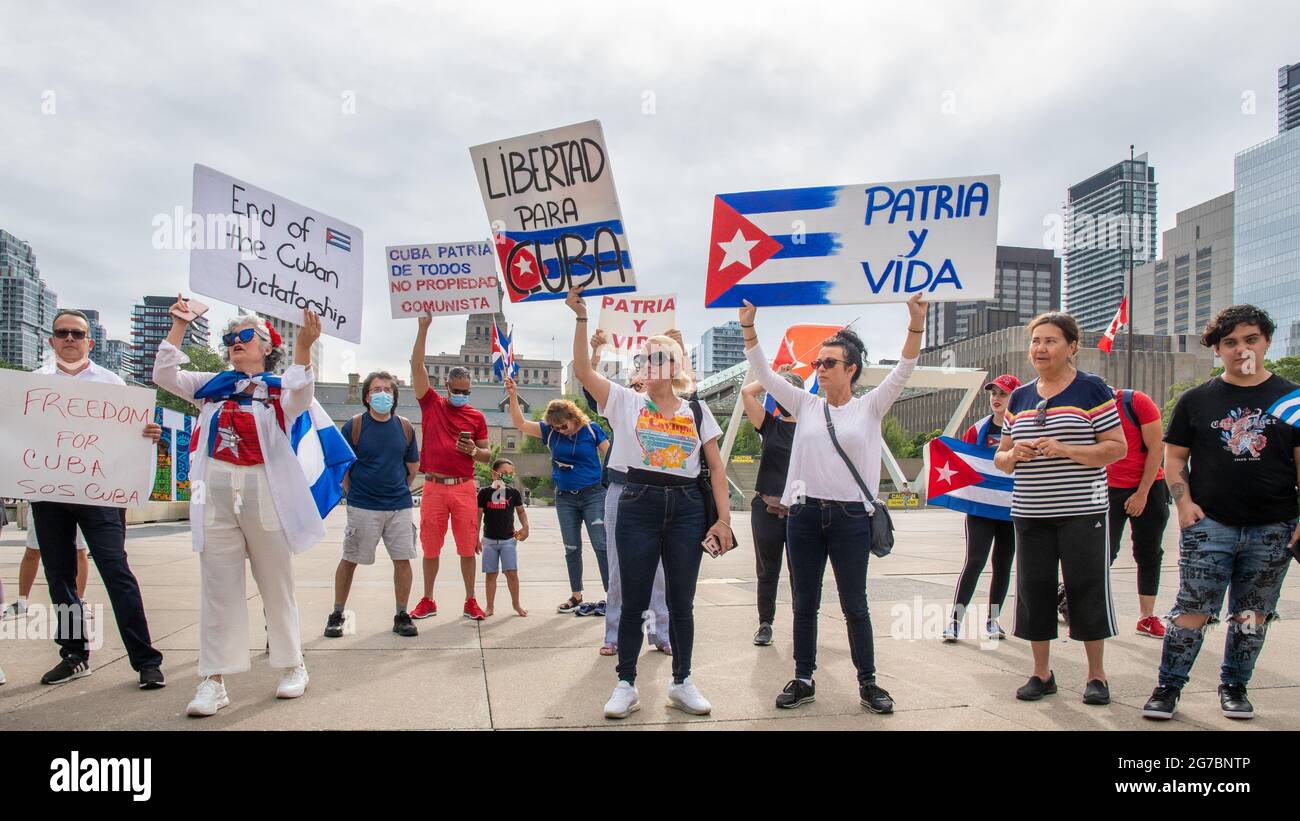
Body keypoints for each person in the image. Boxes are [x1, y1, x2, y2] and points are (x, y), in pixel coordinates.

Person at [741, 295, 926, 715]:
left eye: (829, 363)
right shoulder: (805, 404)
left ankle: (868, 683)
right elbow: (765, 375)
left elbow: (904, 368)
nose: (819, 369)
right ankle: (804, 678)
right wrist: (749, 328)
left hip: (850, 519)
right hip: (803, 515)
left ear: (851, 369)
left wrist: (915, 325)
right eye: (818, 363)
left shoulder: (871, 407)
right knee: (805, 601)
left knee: (854, 603)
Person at [567, 288, 734, 719]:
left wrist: (725, 522)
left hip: (686, 508)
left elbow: (716, 469)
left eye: (660, 355)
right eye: (645, 356)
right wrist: (583, 320)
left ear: (676, 367)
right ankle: (625, 683)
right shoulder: (626, 402)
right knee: (633, 599)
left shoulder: (697, 412)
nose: (649, 361)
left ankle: (683, 681)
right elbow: (584, 370)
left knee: (682, 600)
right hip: (637, 503)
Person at [154, 301, 325, 716]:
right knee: (218, 587)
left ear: (267, 346)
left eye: (244, 337)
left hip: (264, 491)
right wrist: (179, 325)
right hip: (214, 491)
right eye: (230, 339)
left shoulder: (278, 388)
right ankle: (213, 679)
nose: (234, 344)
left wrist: (304, 346)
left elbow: (301, 393)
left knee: (276, 584)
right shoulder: (211, 384)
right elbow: (164, 375)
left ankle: (292, 664)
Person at [1142, 305, 1299, 721]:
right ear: (1218, 349)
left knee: (1251, 615)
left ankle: (1235, 686)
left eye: (1250, 339)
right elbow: (1174, 459)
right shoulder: (1197, 400)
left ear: (1267, 341)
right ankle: (1168, 688)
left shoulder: (1292, 399)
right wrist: (1184, 503)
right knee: (1191, 611)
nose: (1240, 348)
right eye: (1229, 342)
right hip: (1209, 524)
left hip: (1274, 527)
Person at [993, 312, 1126, 706]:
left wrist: (1067, 449)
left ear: (1072, 347)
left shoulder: (1091, 389)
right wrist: (1014, 453)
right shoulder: (1020, 397)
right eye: (1036, 341)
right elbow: (1000, 457)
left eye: (1050, 341)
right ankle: (1041, 673)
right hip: (1030, 511)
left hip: (1082, 511)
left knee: (1086, 588)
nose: (1040, 348)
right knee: (1034, 590)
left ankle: (1097, 677)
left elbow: (1116, 447)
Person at [29, 309, 165, 689]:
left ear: (89, 341)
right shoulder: (32, 383)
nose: (70, 338)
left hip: (99, 493)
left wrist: (148, 432)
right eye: (62, 332)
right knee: (60, 578)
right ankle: (75, 655)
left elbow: (131, 431)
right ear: (52, 339)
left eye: (77, 333)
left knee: (116, 572)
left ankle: (146, 661)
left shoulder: (112, 383)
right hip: (49, 493)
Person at [585, 330, 670, 657]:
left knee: (658, 571)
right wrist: (594, 351)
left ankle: (660, 632)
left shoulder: (670, 408)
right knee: (619, 567)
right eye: (637, 378)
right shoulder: (620, 403)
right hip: (622, 489)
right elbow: (588, 379)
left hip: (657, 491)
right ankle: (615, 635)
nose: (641, 384)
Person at [325, 371, 421, 639]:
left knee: (403, 560)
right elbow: (344, 468)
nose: (383, 394)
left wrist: (399, 489)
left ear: (395, 396)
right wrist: (352, 493)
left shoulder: (404, 427)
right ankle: (337, 613)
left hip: (398, 506)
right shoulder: (354, 426)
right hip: (363, 506)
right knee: (350, 559)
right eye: (377, 389)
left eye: (388, 390)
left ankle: (402, 614)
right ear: (367, 396)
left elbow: (412, 467)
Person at [408, 314, 491, 621]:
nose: (461, 396)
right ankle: (428, 598)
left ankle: (471, 599)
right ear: (446, 386)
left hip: (464, 486)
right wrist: (423, 328)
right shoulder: (431, 404)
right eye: (457, 390)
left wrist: (474, 450)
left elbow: (486, 454)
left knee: (468, 547)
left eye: (466, 391)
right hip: (433, 486)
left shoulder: (477, 417)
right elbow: (417, 367)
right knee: (431, 546)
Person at [503, 375, 609, 616]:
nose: (562, 431)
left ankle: (613, 595)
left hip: (593, 494)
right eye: (556, 427)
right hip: (565, 497)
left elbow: (610, 455)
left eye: (564, 426)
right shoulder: (550, 432)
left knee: (601, 545)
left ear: (574, 418)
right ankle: (576, 594)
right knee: (571, 547)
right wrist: (512, 395)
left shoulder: (591, 430)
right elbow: (520, 423)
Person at [943, 374, 1021, 642]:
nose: (997, 398)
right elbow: (965, 464)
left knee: (1003, 564)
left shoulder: (1024, 429)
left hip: (1011, 510)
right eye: (993, 393)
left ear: (1016, 399)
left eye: (1004, 393)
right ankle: (955, 621)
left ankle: (993, 621)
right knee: (975, 561)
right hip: (980, 509)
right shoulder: (977, 430)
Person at [739, 366, 804, 647]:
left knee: (801, 570)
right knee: (767, 570)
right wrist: (773, 376)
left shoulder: (812, 428)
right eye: (779, 390)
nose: (782, 396)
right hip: (766, 506)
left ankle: (803, 622)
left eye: (787, 390)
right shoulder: (770, 424)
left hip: (801, 510)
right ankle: (765, 623)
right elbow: (746, 392)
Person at [1104, 385, 1170, 638]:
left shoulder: (1136, 402)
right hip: (1108, 488)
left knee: (1148, 552)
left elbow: (1157, 448)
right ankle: (1090, 609)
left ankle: (1146, 617)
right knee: (1102, 553)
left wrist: (1141, 493)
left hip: (1149, 485)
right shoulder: (1087, 410)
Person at [2, 525, 88, 621]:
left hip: (78, 510)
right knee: (32, 550)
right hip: (41, 511)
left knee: (79, 550)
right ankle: (22, 603)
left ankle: (80, 602)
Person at [477, 458, 529, 617]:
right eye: (504, 473)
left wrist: (525, 527)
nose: (507, 476)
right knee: (491, 574)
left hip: (508, 540)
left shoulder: (513, 493)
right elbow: (478, 515)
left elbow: (520, 511)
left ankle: (516, 604)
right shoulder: (484, 493)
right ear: (494, 474)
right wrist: (475, 537)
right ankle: (490, 607)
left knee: (511, 573)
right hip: (489, 541)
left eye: (510, 473)